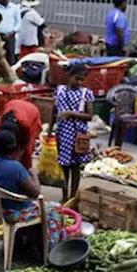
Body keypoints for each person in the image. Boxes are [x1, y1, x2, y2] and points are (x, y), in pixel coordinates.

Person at [0, 128, 70, 248]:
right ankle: (52, 248)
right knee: (55, 208)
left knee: (43, 205)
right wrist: (34, 174)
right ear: (14, 148)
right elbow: (35, 193)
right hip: (13, 213)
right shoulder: (15, 167)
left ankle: (24, 243)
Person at [51, 64, 94, 202]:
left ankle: (73, 196)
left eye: (82, 80)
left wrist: (70, 114)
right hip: (63, 133)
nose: (79, 82)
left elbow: (89, 115)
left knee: (75, 167)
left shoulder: (85, 93)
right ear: (69, 77)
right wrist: (49, 129)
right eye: (77, 79)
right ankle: (64, 195)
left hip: (78, 135)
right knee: (64, 166)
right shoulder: (60, 90)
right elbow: (54, 111)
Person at [0, 99, 42, 170]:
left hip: (31, 111)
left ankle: (26, 172)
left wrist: (19, 155)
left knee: (27, 153)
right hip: (13, 104)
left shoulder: (25, 125)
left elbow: (25, 143)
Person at [0, 0, 20, 64]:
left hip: (10, 35)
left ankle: (10, 71)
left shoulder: (15, 8)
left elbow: (19, 23)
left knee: (10, 57)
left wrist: (12, 32)